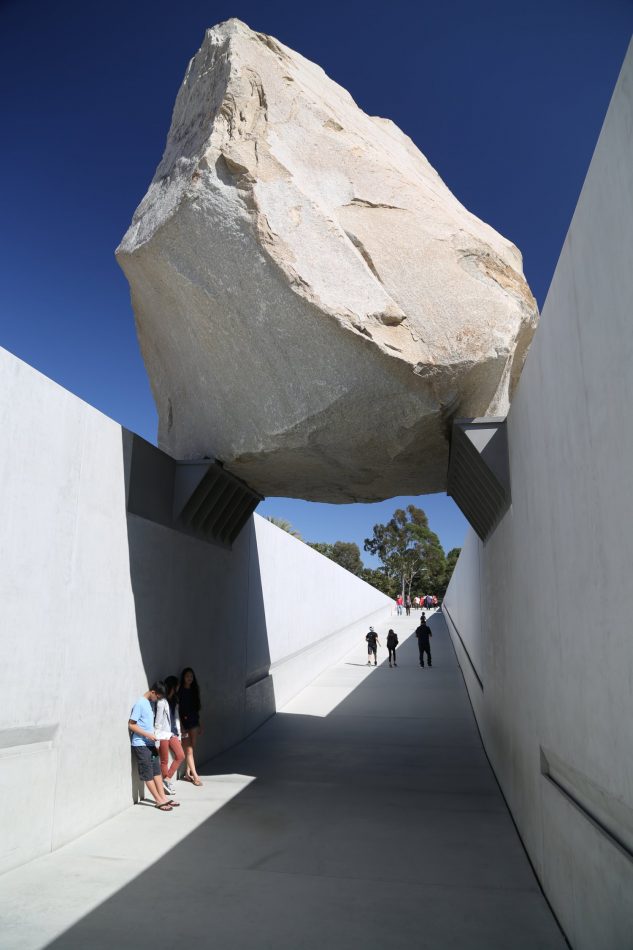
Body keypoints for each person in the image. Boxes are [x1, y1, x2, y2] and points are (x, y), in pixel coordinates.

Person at [129, 681, 179, 812]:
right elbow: (131, 724)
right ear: (153, 692)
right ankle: (158, 801)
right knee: (147, 774)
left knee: (156, 771)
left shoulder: (149, 704)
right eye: (158, 697)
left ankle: (163, 797)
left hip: (150, 744)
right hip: (141, 744)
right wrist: (147, 735)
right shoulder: (140, 703)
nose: (158, 700)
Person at [155, 675, 185, 797]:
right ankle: (166, 784)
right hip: (162, 733)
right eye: (176, 686)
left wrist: (179, 735)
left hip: (173, 733)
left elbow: (176, 718)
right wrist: (156, 738)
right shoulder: (162, 702)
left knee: (180, 755)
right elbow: (158, 721)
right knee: (164, 760)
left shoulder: (174, 700)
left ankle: (166, 780)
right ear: (172, 686)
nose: (178, 688)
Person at [179, 667, 203, 786]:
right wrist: (181, 726)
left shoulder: (194, 690)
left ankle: (187, 772)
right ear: (183, 677)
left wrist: (199, 724)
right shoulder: (180, 691)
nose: (190, 678)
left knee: (191, 749)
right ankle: (195, 776)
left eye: (191, 676)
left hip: (194, 722)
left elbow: (196, 709)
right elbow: (178, 710)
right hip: (184, 723)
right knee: (188, 750)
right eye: (187, 676)